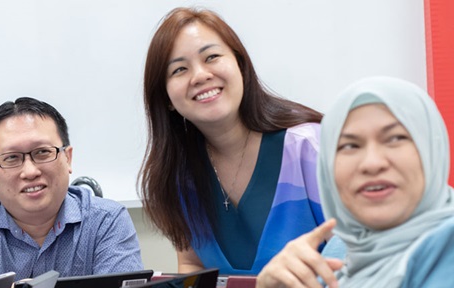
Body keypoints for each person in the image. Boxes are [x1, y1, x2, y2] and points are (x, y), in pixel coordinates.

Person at [138, 7, 344, 275]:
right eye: (179, 70)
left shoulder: (310, 146)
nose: (200, 76)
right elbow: (192, 265)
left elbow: (357, 251)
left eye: (211, 57)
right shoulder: (178, 177)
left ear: (241, 65)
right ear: (166, 99)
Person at [256, 76, 454, 288]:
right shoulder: (340, 252)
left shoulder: (446, 244)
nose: (371, 163)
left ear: (432, 149)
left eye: (395, 138)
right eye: (350, 146)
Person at [0, 97, 143, 281]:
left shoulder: (106, 221)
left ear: (68, 158)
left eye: (42, 152)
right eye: (12, 158)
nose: (30, 172)